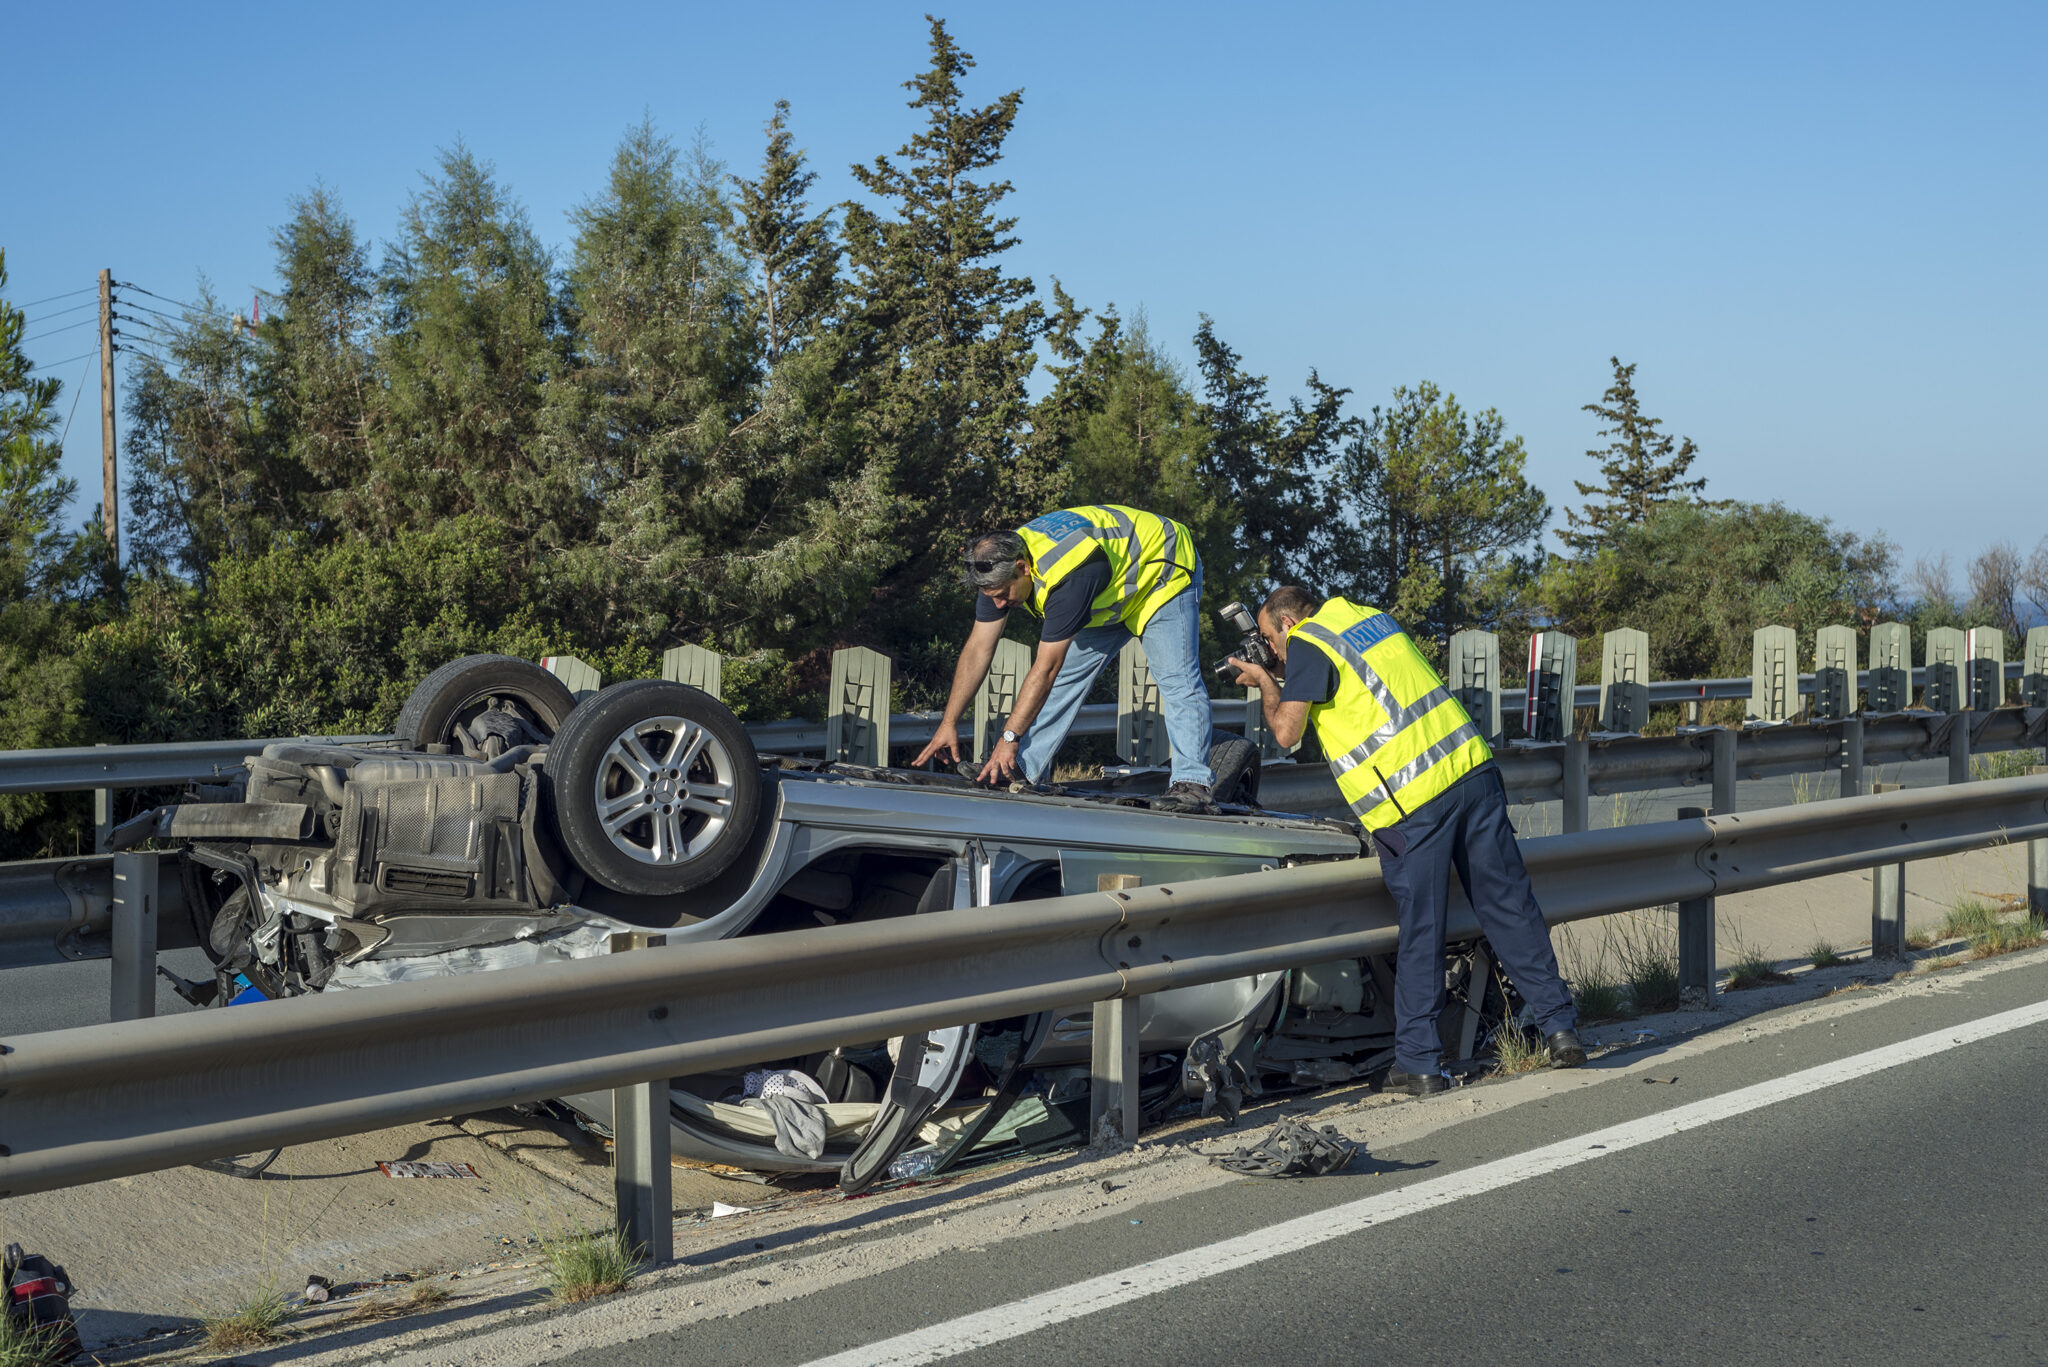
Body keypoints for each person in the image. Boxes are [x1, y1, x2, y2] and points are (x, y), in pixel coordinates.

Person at [1228, 586, 1585, 1093]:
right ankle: (1560, 1027)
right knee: (1509, 905)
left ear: (1287, 624)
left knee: (1422, 930)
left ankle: (1420, 1063)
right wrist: (1284, 671)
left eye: (1268, 638)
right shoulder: (1367, 620)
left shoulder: (1307, 641)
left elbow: (1287, 733)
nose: (1271, 649)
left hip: (1414, 802)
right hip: (1471, 771)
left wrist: (1266, 681)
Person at [911, 505, 1215, 809]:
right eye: (993, 597)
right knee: (1064, 681)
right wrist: (949, 722)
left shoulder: (1069, 577)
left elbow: (1046, 668)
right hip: (1112, 586)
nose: (1000, 604)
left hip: (1160, 570)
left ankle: (1192, 783)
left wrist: (1008, 738)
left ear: (1023, 568)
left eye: (1004, 594)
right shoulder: (994, 568)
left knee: (1177, 680)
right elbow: (978, 648)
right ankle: (1020, 769)